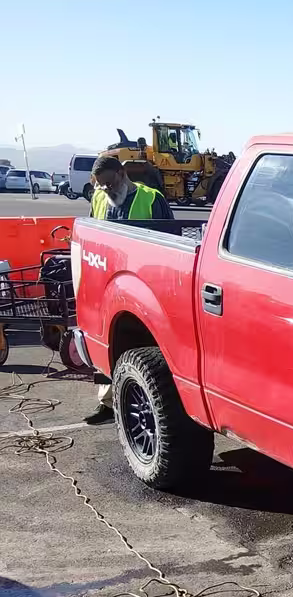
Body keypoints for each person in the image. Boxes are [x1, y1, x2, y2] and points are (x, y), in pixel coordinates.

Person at [84, 156, 175, 424]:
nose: (106, 190)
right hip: (106, 282)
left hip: (143, 286)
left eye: (110, 183)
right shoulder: (100, 199)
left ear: (123, 174)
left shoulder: (151, 199)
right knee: (107, 342)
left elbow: (170, 241)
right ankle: (107, 403)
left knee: (138, 347)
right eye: (100, 186)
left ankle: (138, 405)